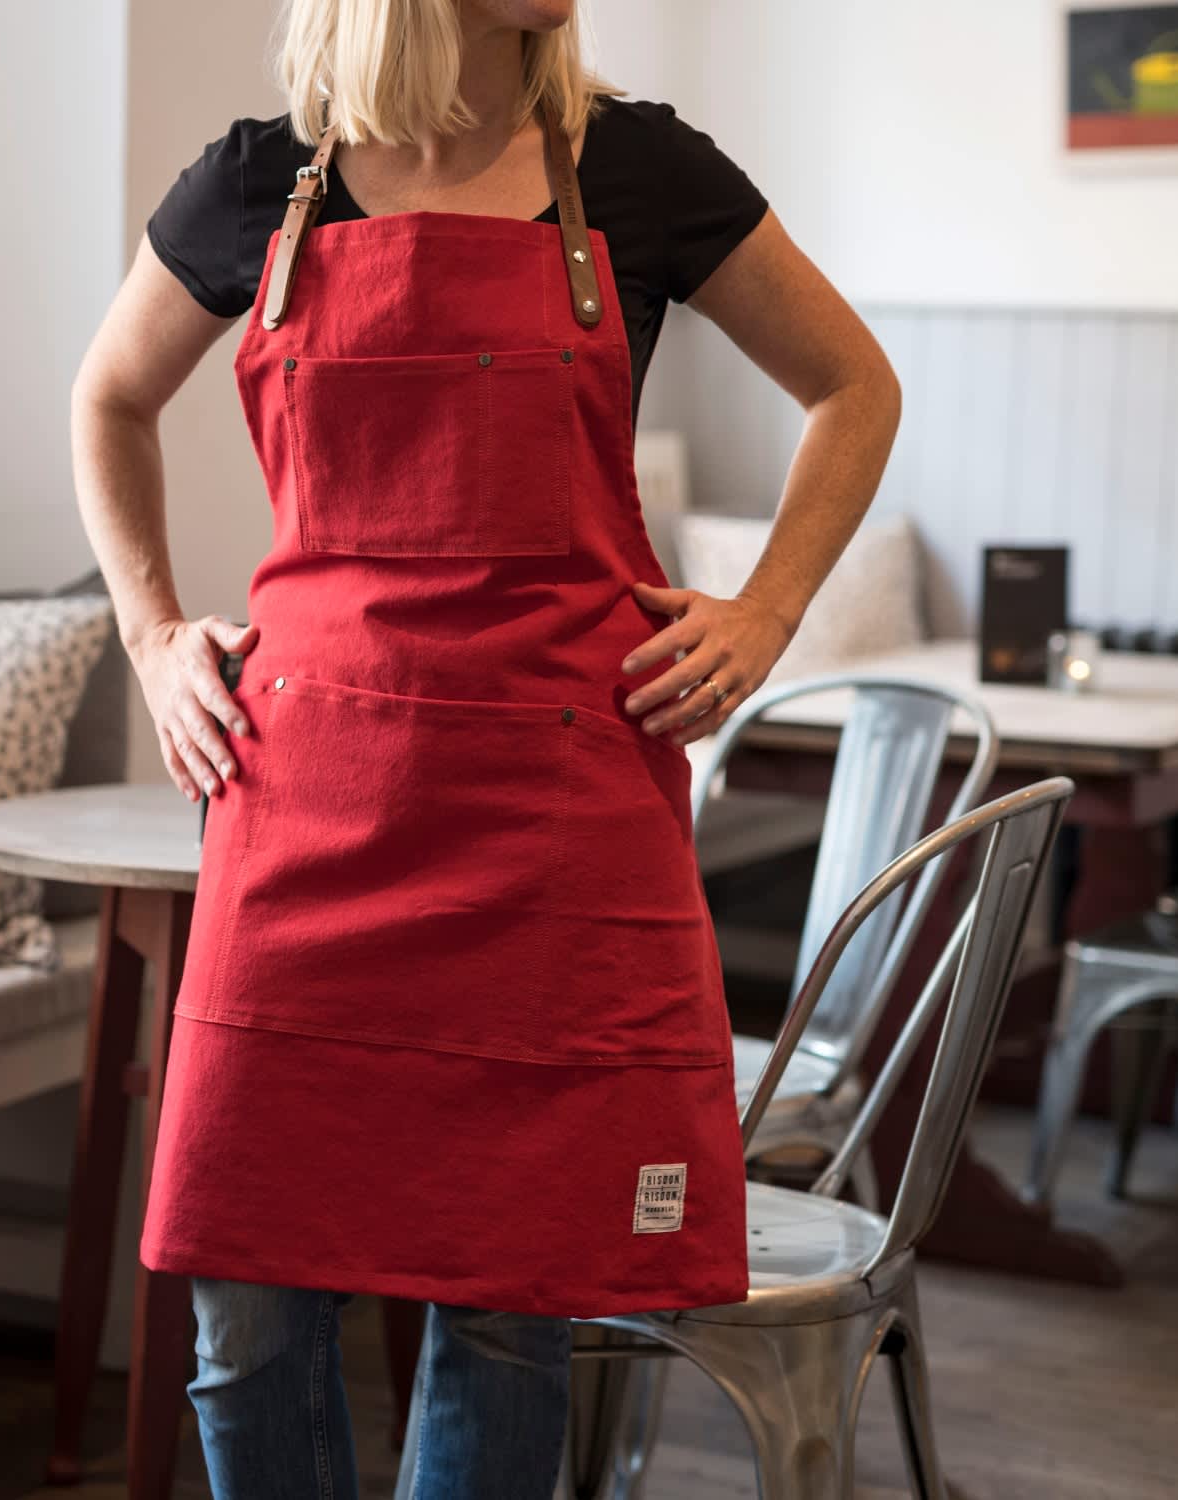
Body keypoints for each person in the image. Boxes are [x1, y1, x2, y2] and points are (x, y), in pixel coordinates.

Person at [70, 1, 901, 1494]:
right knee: (244, 1317)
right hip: (300, 806)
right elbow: (110, 396)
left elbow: (856, 384)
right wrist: (151, 634)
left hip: (558, 812)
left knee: (508, 1315)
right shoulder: (263, 183)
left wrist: (768, 615)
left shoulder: (636, 169)